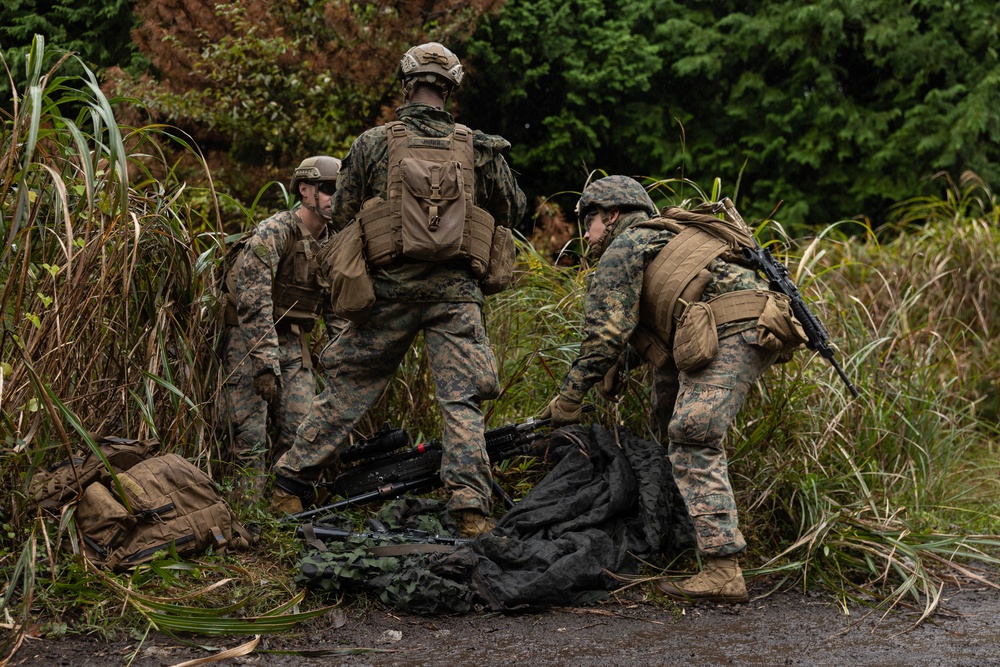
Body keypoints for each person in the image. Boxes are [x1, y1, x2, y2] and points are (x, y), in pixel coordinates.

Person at [271, 42, 526, 537]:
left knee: (348, 389)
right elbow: (512, 210)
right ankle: (470, 507)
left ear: (407, 85)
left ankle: (290, 481)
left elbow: (342, 214)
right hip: (456, 296)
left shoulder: (373, 143)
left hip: (387, 290)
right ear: (451, 90)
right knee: (462, 401)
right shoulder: (479, 146)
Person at [540, 175, 803, 602]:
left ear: (611, 215)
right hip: (750, 325)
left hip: (731, 328)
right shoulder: (668, 239)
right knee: (668, 421)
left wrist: (569, 398)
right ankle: (681, 536)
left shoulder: (626, 245)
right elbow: (656, 336)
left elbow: (605, 335)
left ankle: (723, 569)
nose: (585, 235)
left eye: (589, 222)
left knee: (691, 433)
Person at [220, 156, 342, 505]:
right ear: (305, 190)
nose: (335, 197)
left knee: (301, 429)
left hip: (293, 340)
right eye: (328, 189)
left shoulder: (334, 244)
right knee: (249, 434)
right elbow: (252, 299)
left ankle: (282, 505)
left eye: (340, 190)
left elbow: (336, 308)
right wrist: (264, 364)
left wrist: (343, 361)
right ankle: (243, 513)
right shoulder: (276, 231)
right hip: (249, 340)